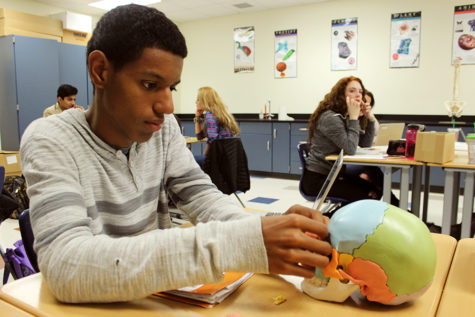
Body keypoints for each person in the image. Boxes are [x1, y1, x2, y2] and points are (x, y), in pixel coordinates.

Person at [20, 4, 331, 304]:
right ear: (100, 71)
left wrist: (263, 234)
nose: (168, 107)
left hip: (149, 301)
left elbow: (202, 198)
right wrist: (240, 245)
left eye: (172, 88)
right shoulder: (50, 138)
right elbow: (66, 266)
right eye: (149, 84)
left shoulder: (164, 129)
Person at [301, 76, 386, 203]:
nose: (358, 95)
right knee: (371, 194)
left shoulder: (343, 117)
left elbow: (365, 144)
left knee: (376, 189)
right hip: (318, 180)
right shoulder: (331, 117)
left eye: (360, 92)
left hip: (334, 175)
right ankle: (331, 219)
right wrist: (353, 117)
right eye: (352, 91)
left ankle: (395, 206)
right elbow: (350, 149)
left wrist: (370, 118)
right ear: (341, 95)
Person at [194, 86, 239, 166]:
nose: (195, 102)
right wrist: (197, 117)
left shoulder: (210, 115)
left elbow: (213, 141)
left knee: (190, 161)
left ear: (204, 101)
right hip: (227, 158)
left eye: (198, 99)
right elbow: (200, 136)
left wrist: (204, 157)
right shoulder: (219, 114)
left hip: (218, 158)